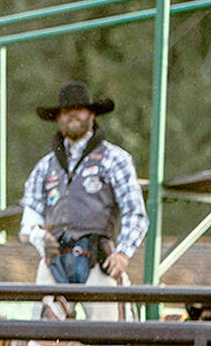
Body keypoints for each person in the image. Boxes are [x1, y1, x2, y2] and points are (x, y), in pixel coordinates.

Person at [18, 82, 147, 322]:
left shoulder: (114, 159)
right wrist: (39, 237)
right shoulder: (45, 166)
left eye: (79, 109)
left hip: (97, 259)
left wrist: (122, 254)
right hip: (54, 261)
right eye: (66, 111)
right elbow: (30, 217)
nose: (72, 115)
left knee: (111, 337)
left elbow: (135, 213)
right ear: (58, 118)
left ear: (92, 114)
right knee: (39, 334)